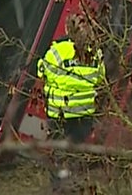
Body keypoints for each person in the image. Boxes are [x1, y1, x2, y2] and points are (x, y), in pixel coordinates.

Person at [37, 14, 106, 193]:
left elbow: (42, 71)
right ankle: (74, 185)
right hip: (84, 114)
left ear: (67, 29)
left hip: (60, 113)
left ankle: (60, 187)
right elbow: (100, 78)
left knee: (58, 153)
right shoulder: (95, 52)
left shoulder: (57, 51)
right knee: (76, 153)